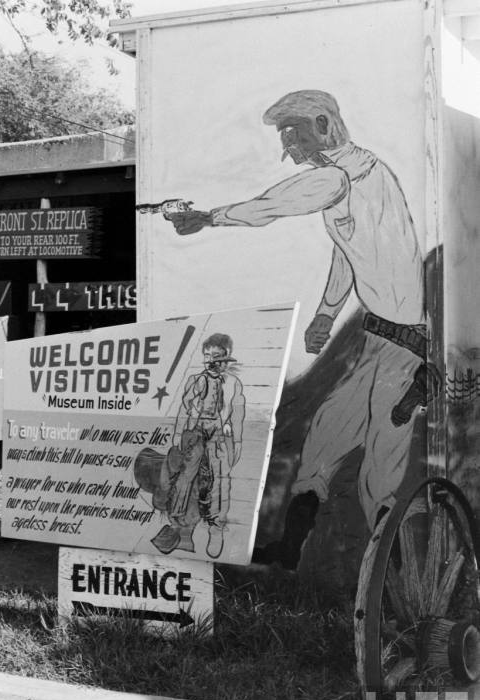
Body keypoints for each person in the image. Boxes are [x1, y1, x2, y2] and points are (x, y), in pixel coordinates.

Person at [168, 90, 434, 568]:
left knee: (382, 472)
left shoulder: (338, 176)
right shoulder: (357, 178)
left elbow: (274, 205)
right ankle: (288, 549)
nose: (288, 150)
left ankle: (392, 581)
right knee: (324, 442)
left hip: (405, 350)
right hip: (379, 341)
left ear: (324, 125)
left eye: (294, 136)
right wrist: (327, 313)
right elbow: (349, 252)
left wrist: (210, 218)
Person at [151, 333, 245, 559]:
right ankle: (179, 525)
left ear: (226, 357)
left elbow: (238, 413)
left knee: (218, 481)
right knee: (185, 477)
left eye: (217, 356)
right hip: (195, 433)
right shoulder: (197, 380)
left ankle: (216, 526)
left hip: (218, 436)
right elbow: (185, 406)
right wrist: (178, 432)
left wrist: (237, 439)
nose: (212, 361)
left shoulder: (232, 383)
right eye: (207, 356)